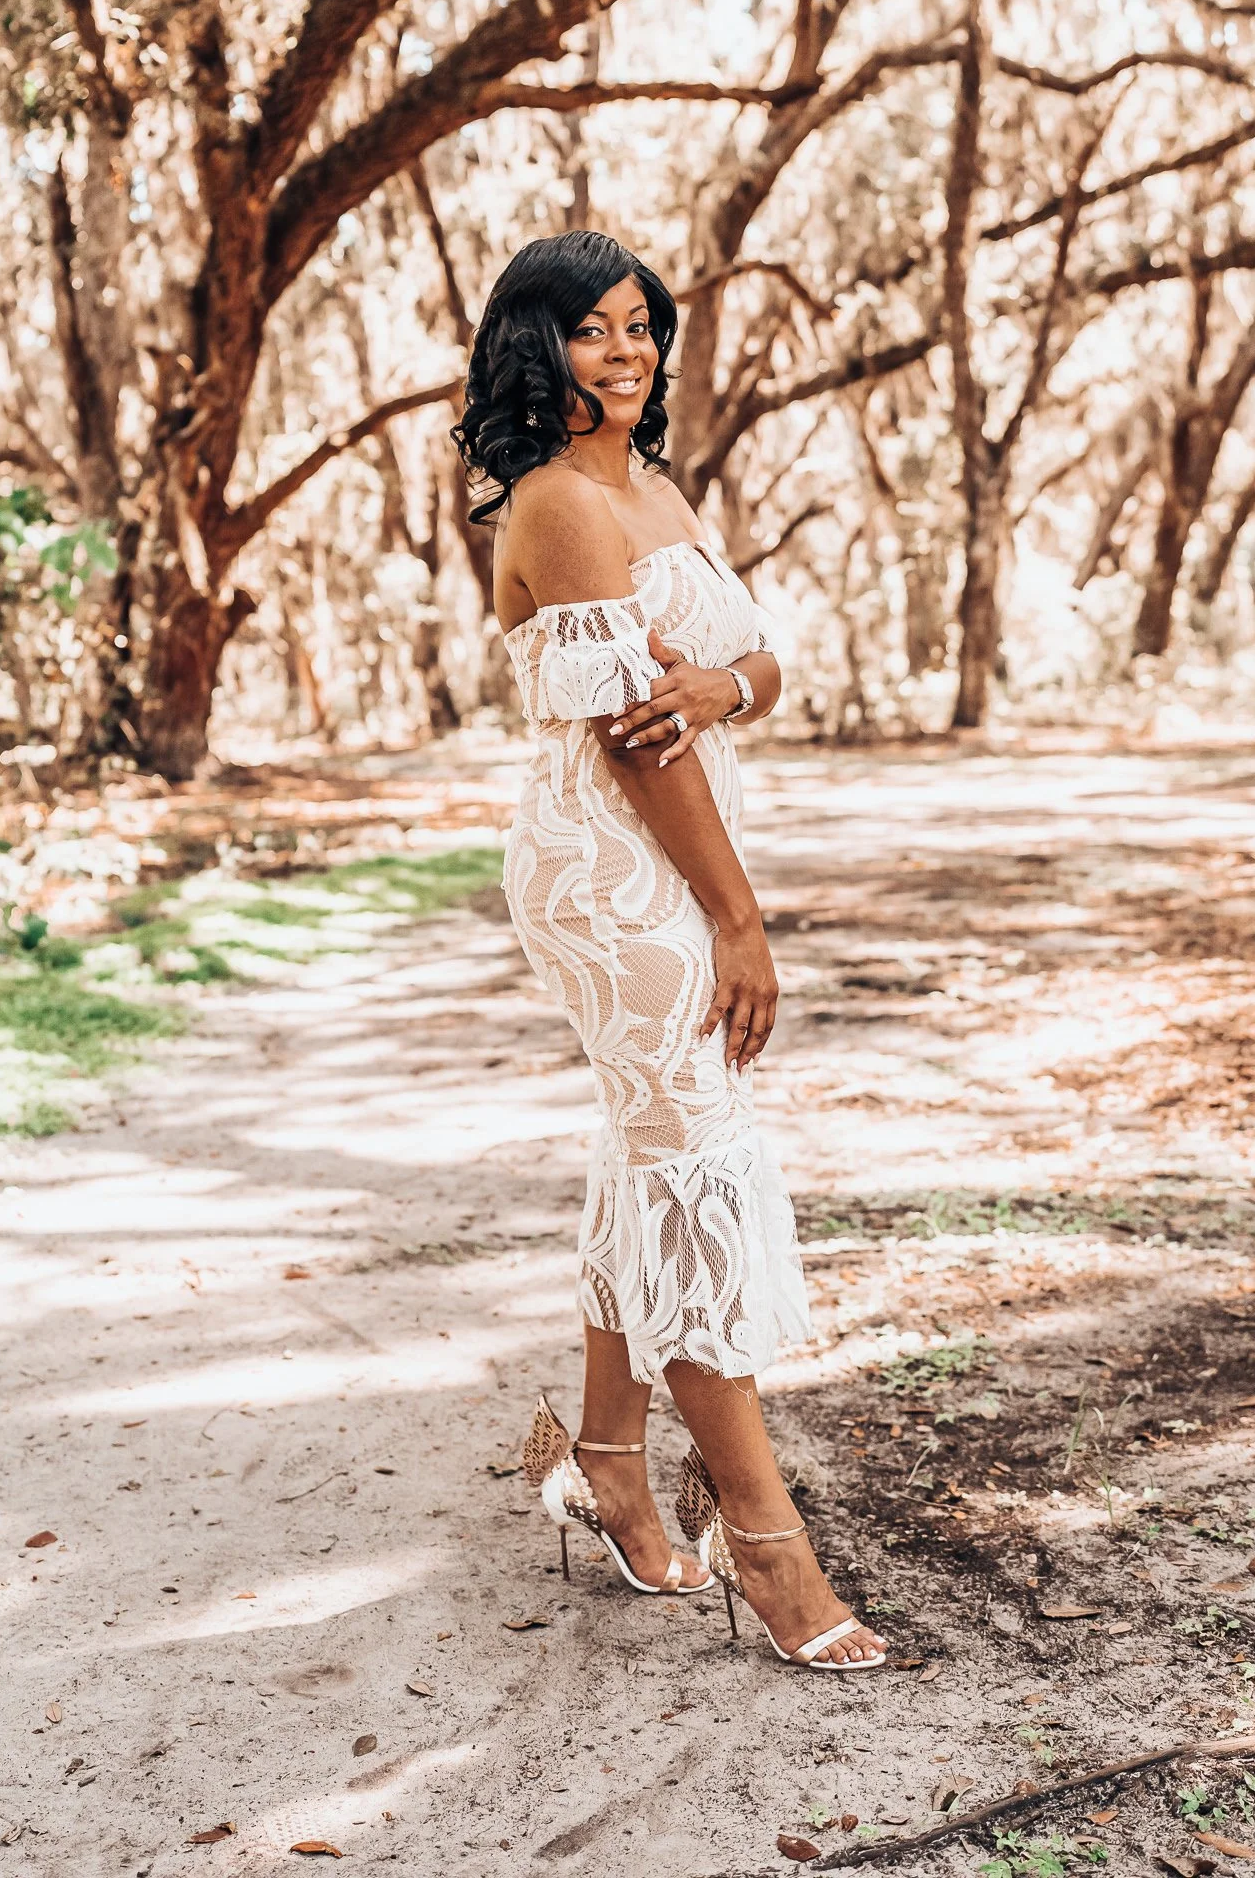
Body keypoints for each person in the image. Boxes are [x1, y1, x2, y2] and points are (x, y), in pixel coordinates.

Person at [453, 230, 886, 1670]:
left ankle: (604, 1457)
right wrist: (735, 913)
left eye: (639, 326)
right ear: (535, 349)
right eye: (590, 331)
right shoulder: (563, 506)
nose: (624, 351)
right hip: (618, 876)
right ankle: (770, 1551)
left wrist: (726, 683)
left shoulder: (651, 485)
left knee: (648, 1153)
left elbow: (751, 667)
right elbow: (641, 744)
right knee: (692, 1163)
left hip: (674, 861)